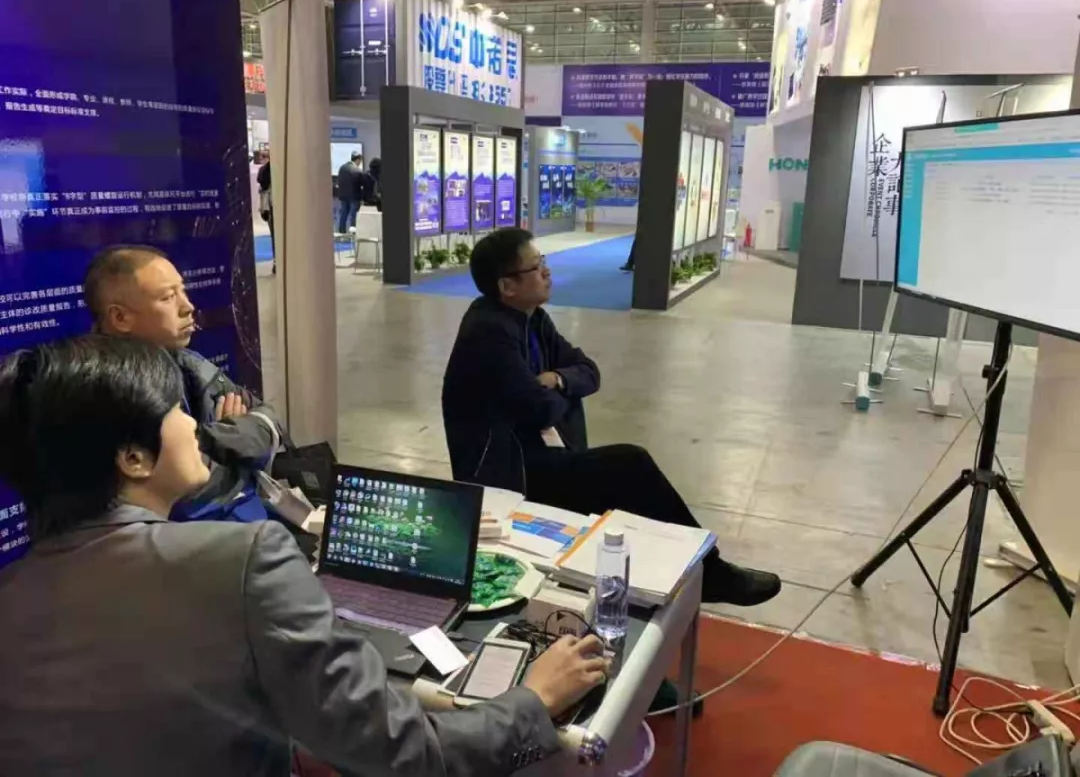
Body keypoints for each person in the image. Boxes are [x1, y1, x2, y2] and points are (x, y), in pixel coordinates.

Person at [0, 335, 608, 777]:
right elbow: (405, 754)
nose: (194, 426)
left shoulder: (14, 592)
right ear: (133, 458)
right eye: (177, 411)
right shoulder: (242, 558)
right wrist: (532, 702)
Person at [442, 227, 781, 606]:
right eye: (536, 267)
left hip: (539, 452)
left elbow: (588, 371)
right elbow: (540, 408)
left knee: (625, 482)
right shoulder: (488, 332)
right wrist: (560, 393)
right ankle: (708, 574)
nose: (547, 272)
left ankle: (697, 572)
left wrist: (555, 380)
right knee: (628, 465)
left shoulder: (533, 320)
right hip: (509, 473)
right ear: (507, 286)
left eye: (543, 262)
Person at [83, 245, 284, 523]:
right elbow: (174, 493)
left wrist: (215, 441)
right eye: (167, 297)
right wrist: (234, 449)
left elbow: (269, 422)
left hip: (241, 520)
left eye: (182, 291)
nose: (187, 306)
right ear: (120, 318)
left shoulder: (188, 363)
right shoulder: (104, 393)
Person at [336, 151, 364, 233]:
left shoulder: (342, 168)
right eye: (360, 161)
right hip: (354, 197)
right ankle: (353, 234)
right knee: (353, 216)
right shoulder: (357, 170)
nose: (360, 163)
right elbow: (361, 184)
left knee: (343, 214)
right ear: (358, 160)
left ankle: (341, 232)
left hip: (343, 196)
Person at [256, 152, 275, 274]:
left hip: (269, 206)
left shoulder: (263, 170)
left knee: (274, 235)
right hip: (273, 205)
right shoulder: (271, 170)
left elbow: (261, 184)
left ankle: (276, 261)